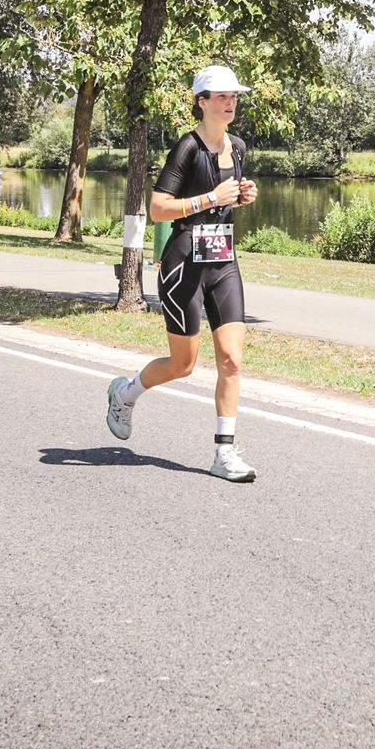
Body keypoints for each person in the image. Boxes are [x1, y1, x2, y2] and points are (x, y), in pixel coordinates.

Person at [105, 66, 260, 482]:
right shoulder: (187, 148)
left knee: (231, 359)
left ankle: (223, 454)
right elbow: (158, 209)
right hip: (184, 263)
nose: (229, 103)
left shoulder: (238, 147)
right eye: (221, 96)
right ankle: (126, 392)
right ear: (202, 102)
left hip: (223, 261)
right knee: (183, 364)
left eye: (233, 96)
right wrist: (210, 197)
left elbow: (224, 201)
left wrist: (241, 196)